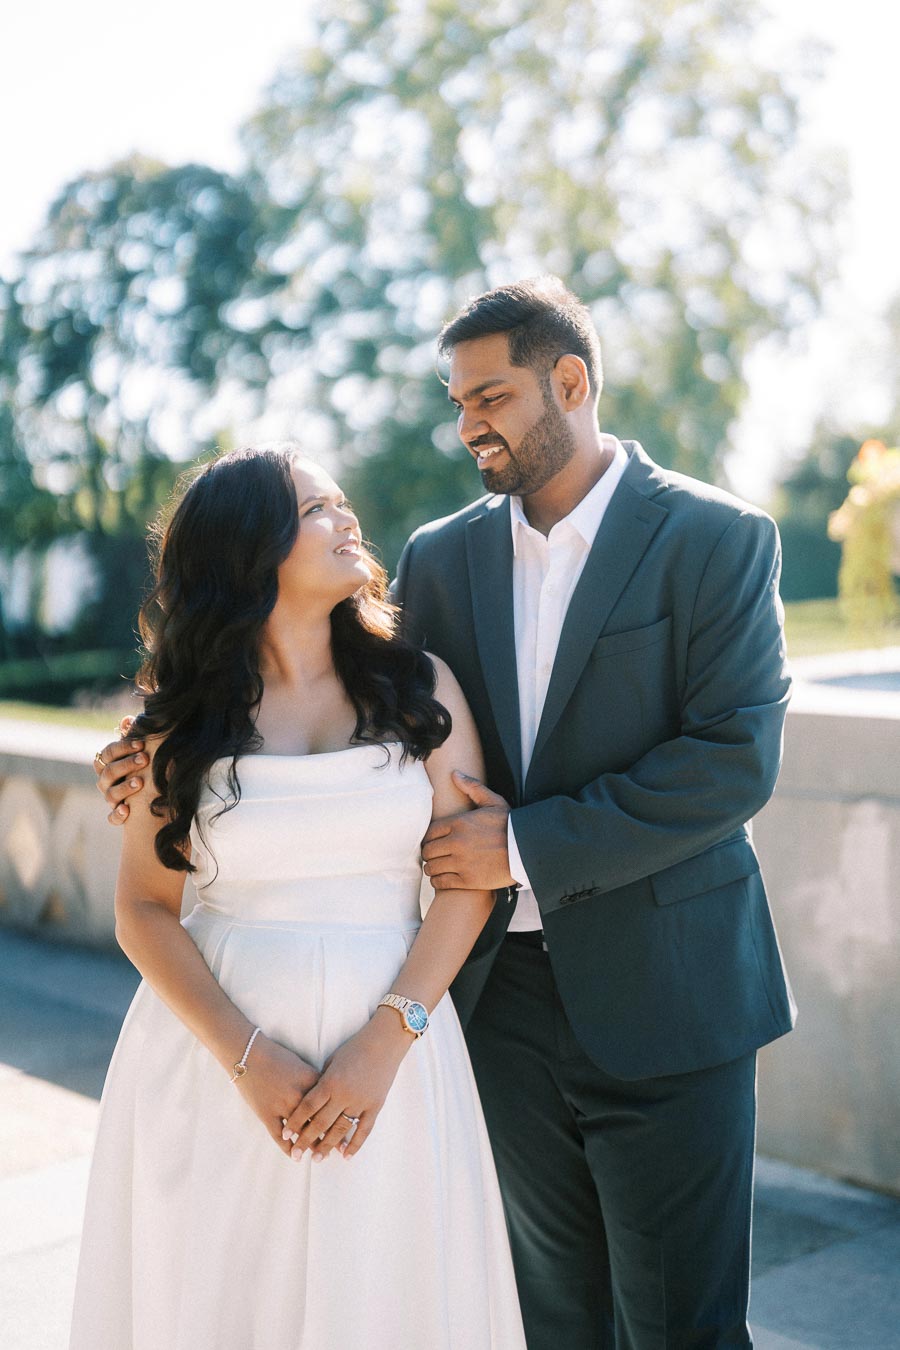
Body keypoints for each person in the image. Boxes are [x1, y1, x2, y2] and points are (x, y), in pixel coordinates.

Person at [97, 276, 796, 1349]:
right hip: (497, 1014)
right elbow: (350, 707)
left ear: (570, 381)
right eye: (458, 399)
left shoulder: (718, 538)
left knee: (683, 1327)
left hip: (670, 992)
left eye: (491, 397)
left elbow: (733, 760)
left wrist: (512, 847)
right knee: (545, 1317)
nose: (467, 423)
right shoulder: (440, 556)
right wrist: (155, 740)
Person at [74, 446, 526, 1349]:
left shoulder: (419, 689)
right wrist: (248, 1059)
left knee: (387, 1301)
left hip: (395, 1058)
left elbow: (465, 884)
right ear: (248, 551)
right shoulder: (177, 727)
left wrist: (385, 1043)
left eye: (342, 500)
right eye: (316, 508)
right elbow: (144, 911)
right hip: (212, 1062)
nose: (346, 519)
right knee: (219, 1303)